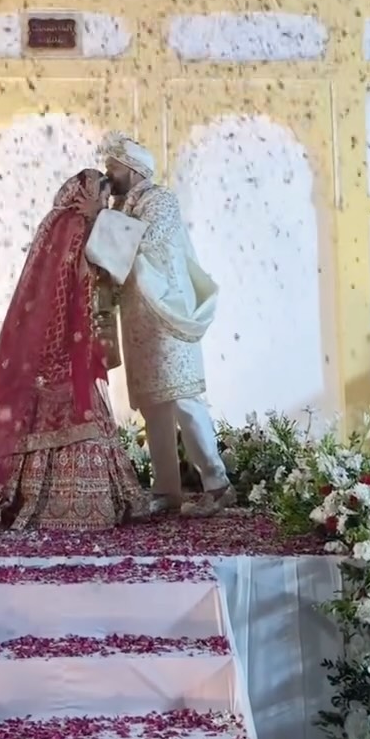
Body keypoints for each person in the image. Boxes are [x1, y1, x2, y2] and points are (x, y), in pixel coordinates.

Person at [0, 169, 147, 532]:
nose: (105, 203)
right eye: (101, 196)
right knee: (77, 411)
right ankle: (64, 504)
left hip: (43, 343)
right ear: (84, 197)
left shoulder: (55, 223)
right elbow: (103, 267)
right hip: (64, 344)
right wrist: (98, 220)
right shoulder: (75, 226)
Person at [84, 135, 234, 518]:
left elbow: (145, 241)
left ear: (134, 170)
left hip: (168, 314)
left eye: (114, 167)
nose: (108, 174)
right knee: (153, 404)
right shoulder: (122, 206)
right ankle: (166, 490)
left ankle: (217, 485)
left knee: (183, 398)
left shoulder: (160, 200)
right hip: (138, 319)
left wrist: (100, 218)